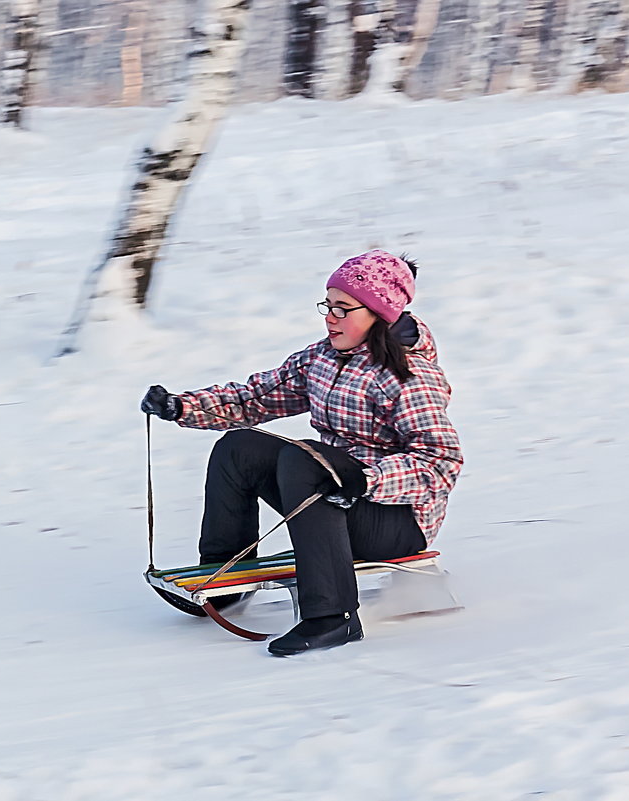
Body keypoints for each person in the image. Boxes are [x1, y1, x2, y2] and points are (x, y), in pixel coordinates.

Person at [141, 249, 462, 657]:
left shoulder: (408, 376)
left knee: (304, 457)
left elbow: (440, 461)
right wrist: (182, 406)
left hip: (394, 519)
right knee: (239, 447)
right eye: (328, 306)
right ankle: (227, 580)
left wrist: (368, 480)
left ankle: (333, 617)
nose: (330, 317)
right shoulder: (323, 359)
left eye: (343, 309)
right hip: (333, 494)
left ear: (378, 314)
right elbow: (258, 398)